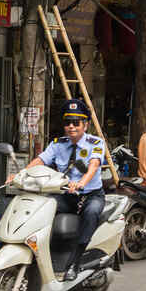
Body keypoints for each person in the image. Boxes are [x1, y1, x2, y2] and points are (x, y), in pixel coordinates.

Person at [13, 100, 107, 280]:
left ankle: (74, 263)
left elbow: (93, 166)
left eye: (76, 122)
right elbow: (41, 160)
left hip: (90, 195)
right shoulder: (57, 144)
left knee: (91, 213)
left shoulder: (96, 143)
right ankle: (39, 256)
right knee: (41, 209)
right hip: (66, 195)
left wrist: (81, 183)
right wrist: (19, 174)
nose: (71, 126)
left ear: (85, 124)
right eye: (67, 123)